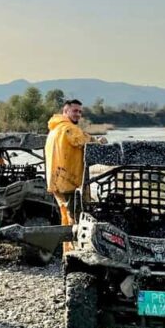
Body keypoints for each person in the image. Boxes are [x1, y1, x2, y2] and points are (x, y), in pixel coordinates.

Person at [45, 99, 107, 252]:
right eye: (75, 111)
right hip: (69, 182)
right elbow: (83, 140)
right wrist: (99, 141)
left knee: (66, 217)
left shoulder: (54, 129)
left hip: (56, 182)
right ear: (65, 112)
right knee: (77, 219)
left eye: (80, 111)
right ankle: (76, 251)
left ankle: (67, 251)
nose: (78, 114)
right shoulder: (68, 128)